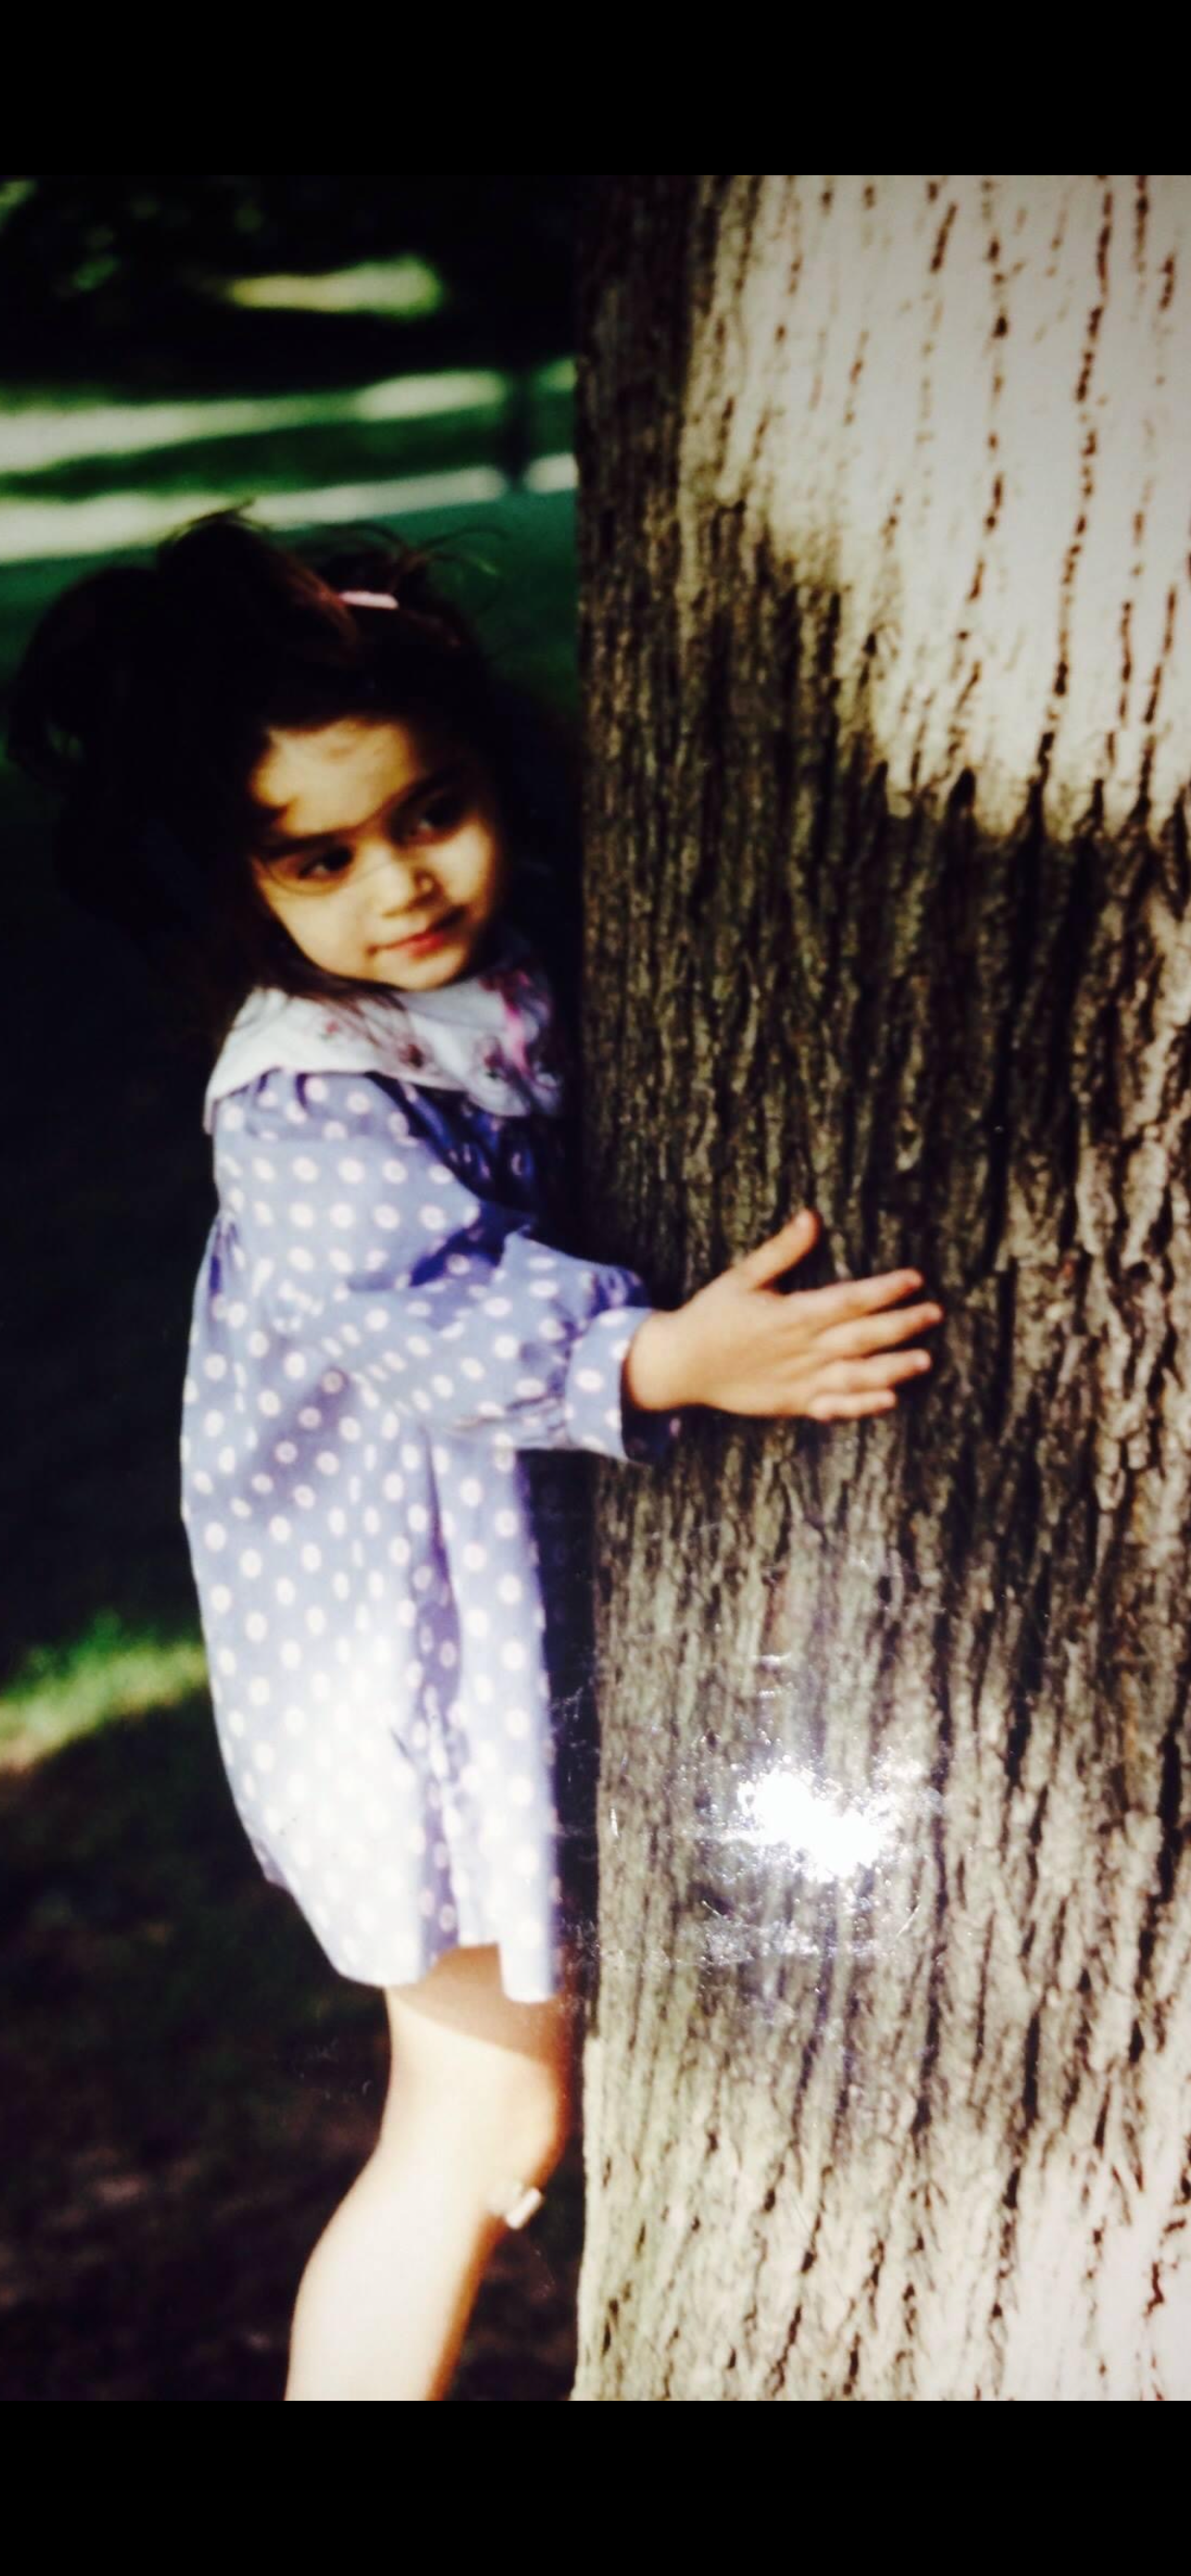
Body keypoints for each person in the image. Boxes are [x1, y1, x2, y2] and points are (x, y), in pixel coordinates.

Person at [5, 508, 944, 2401]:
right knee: (478, 2123)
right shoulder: (303, 1090)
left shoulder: (504, 970)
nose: (398, 886)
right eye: (318, 856)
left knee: (511, 2112)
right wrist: (669, 1354)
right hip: (393, 1675)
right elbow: (422, 1323)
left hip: (483, 1624)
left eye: (428, 812)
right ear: (245, 879)